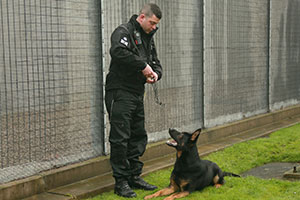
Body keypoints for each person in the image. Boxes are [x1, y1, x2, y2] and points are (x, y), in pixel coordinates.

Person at [104, 3, 163, 198]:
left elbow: (155, 64)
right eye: (152, 23)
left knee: (138, 135)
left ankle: (134, 176)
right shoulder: (124, 31)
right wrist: (143, 66)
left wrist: (154, 74)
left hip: (137, 93)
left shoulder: (148, 39)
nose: (154, 27)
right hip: (120, 92)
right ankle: (120, 182)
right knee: (120, 137)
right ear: (142, 17)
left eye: (156, 25)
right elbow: (118, 52)